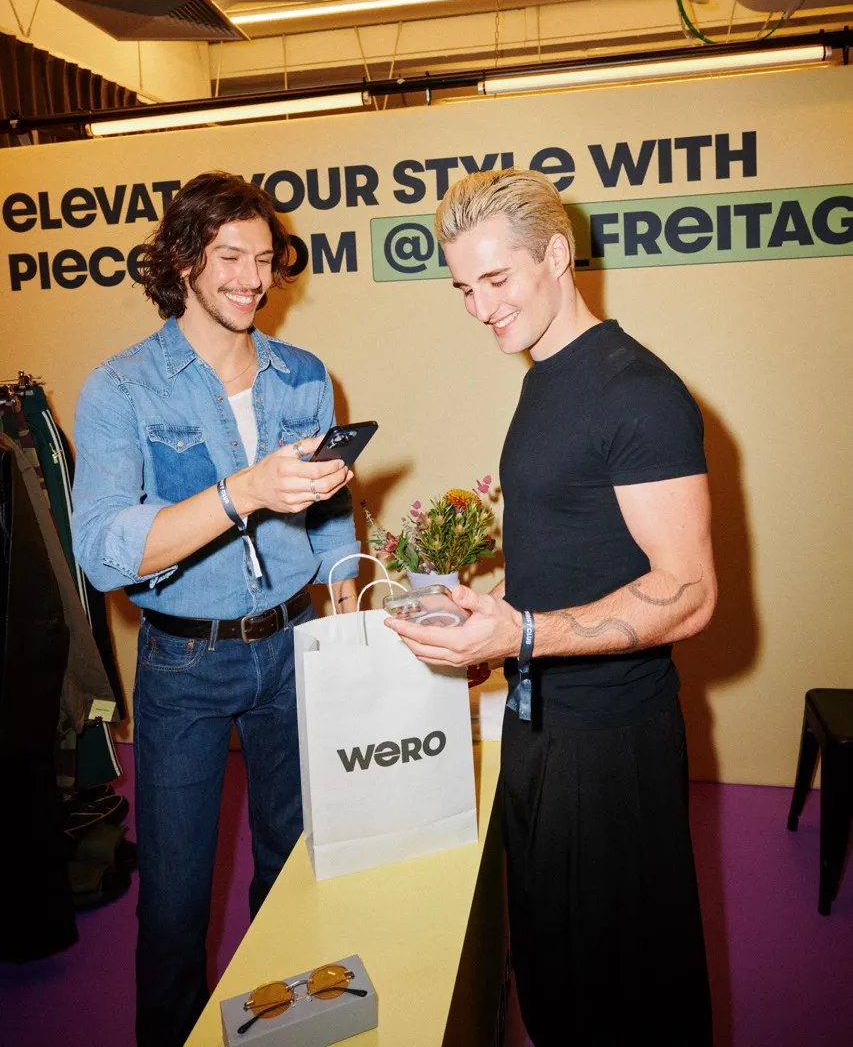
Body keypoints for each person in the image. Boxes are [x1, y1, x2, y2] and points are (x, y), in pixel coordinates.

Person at [386, 168, 716, 1046]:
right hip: (541, 719)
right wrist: (493, 615)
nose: (479, 306)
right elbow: (577, 551)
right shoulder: (543, 374)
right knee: (554, 974)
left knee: (620, 992)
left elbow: (688, 592)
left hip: (609, 743)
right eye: (463, 287)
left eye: (496, 280)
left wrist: (525, 631)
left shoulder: (636, 391)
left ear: (557, 255)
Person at [71, 171, 360, 1047]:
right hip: (183, 664)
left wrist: (343, 578)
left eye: (265, 260)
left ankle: (291, 1034)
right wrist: (243, 491)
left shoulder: (304, 374)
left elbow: (329, 513)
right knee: (173, 900)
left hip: (292, 645)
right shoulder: (121, 387)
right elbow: (105, 550)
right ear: (183, 261)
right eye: (229, 256)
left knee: (293, 871)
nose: (250, 278)